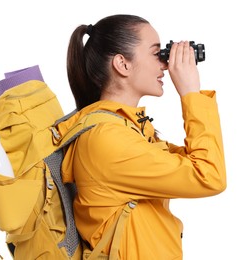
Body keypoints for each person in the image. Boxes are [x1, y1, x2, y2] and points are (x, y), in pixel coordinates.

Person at [61, 14, 226, 259]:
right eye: (156, 53)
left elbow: (196, 161)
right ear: (122, 64)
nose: (165, 64)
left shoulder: (127, 128)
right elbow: (209, 176)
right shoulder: (107, 139)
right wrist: (190, 93)